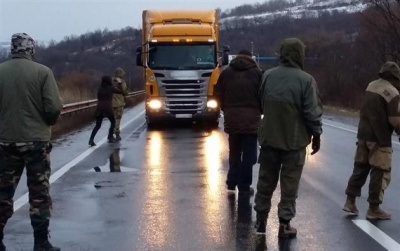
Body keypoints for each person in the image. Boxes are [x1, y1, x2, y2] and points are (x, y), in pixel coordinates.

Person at [254, 38, 323, 238]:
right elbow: (312, 112)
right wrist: (316, 134)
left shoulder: (268, 75)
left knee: (265, 181)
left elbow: (261, 103)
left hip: (269, 138)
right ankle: (284, 224)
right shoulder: (306, 80)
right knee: (289, 184)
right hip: (295, 141)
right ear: (300, 55)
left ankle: (260, 220)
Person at [0, 33, 63, 251]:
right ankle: (41, 243)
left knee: (3, 192)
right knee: (39, 192)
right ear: (31, 50)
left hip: (5, 141)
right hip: (36, 142)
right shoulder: (43, 72)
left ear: (13, 49)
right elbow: (54, 107)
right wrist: (47, 122)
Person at [343, 61, 400, 220]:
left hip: (363, 134)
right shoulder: (392, 92)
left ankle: (350, 201)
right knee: (380, 172)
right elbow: (396, 120)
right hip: (379, 138)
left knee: (360, 168)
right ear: (395, 77)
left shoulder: (371, 85)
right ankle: (374, 208)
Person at [214, 49, 262, 194]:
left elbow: (217, 93)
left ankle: (231, 182)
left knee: (234, 152)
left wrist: (225, 108)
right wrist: (260, 110)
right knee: (250, 156)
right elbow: (263, 94)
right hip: (251, 120)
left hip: (232, 118)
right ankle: (244, 185)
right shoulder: (257, 73)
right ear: (250, 58)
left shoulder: (227, 73)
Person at [88, 76, 123, 146]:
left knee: (98, 125)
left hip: (99, 108)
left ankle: (91, 140)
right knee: (113, 122)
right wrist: (119, 83)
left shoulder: (100, 89)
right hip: (107, 108)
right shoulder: (111, 88)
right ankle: (110, 137)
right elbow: (120, 91)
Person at [112, 67, 129, 141]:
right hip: (119, 103)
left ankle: (110, 134)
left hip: (111, 103)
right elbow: (125, 92)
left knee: (112, 119)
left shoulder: (111, 81)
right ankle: (117, 134)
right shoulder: (122, 82)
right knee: (118, 119)